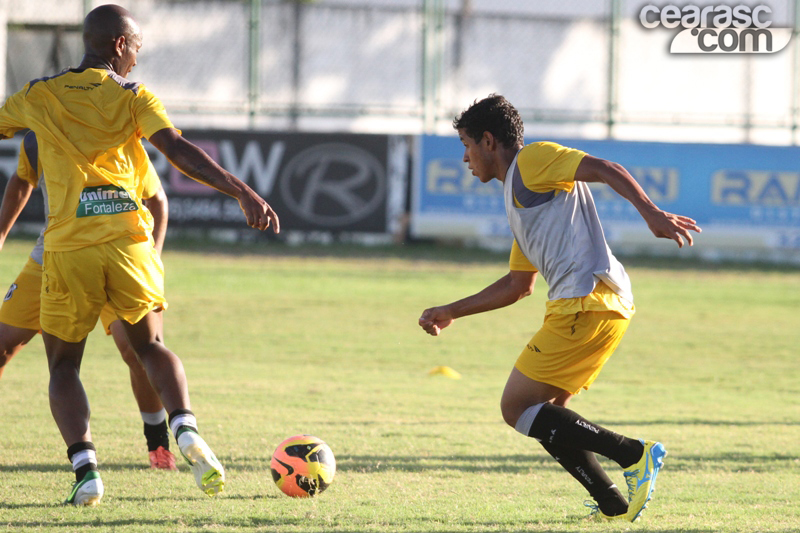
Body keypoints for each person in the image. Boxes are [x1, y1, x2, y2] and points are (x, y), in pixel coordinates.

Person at [0, 4, 279, 506]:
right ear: (118, 45)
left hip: (70, 247)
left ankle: (87, 470)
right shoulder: (133, 97)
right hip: (130, 244)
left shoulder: (38, 95)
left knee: (64, 366)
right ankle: (185, 428)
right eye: (136, 49)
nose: (137, 59)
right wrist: (241, 191)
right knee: (149, 347)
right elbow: (175, 148)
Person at [418, 94, 701, 522]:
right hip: (599, 304)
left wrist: (651, 213)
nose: (464, 158)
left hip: (584, 303)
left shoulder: (532, 160)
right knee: (547, 414)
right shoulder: (521, 196)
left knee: (516, 408)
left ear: (489, 141)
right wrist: (452, 310)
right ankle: (611, 502)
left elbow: (605, 168)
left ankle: (633, 454)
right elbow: (518, 285)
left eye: (465, 144)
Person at [0, 130, 177, 471]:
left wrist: (152, 262)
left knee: (137, 351)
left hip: (119, 255)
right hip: (57, 255)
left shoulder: (117, 132)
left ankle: (158, 444)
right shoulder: (41, 133)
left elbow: (157, 200)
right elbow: (21, 181)